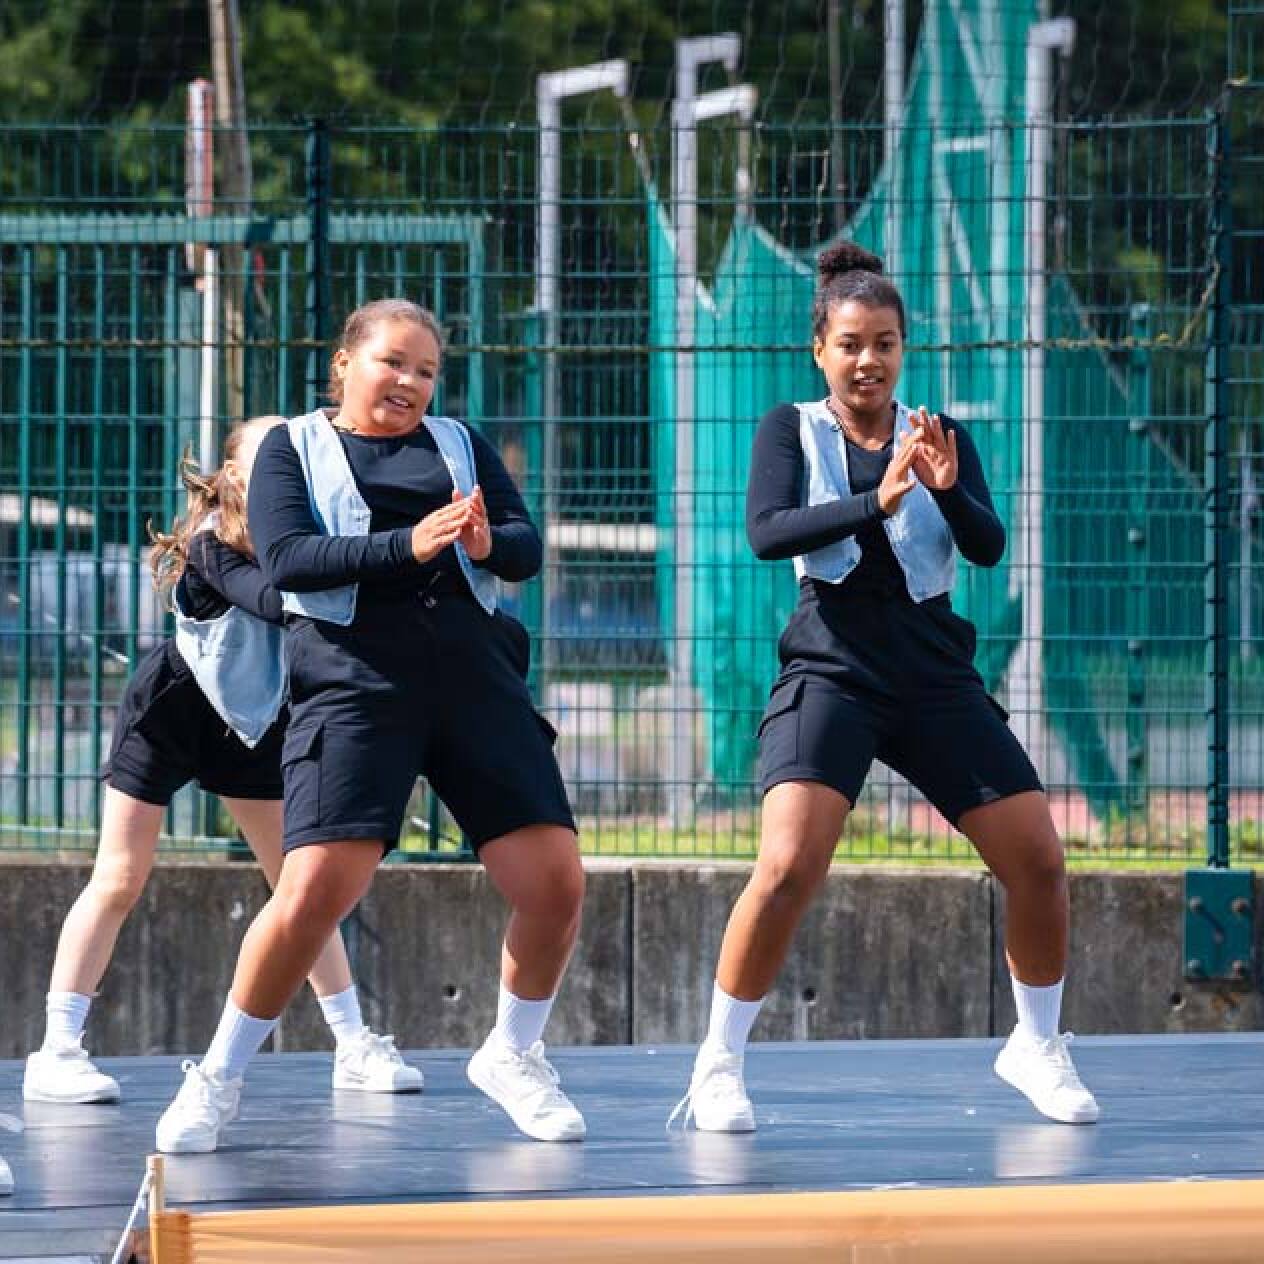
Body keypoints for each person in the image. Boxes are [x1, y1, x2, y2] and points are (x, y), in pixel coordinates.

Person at [669, 242, 1099, 1133]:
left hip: (933, 672)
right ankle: (717, 1066)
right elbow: (767, 532)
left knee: (1038, 861)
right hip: (833, 667)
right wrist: (881, 500)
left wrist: (946, 489)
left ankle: (1037, 1044)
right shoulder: (788, 429)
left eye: (885, 344)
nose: (869, 360)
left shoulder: (939, 434)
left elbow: (986, 546)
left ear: (904, 348)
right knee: (787, 867)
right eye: (851, 344)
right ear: (820, 350)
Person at [153, 299, 586, 1155]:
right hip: (355, 685)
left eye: (426, 371)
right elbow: (290, 561)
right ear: (345, 364)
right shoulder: (292, 449)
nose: (410, 383)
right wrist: (409, 546)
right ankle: (218, 1077)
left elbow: (526, 547)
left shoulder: (460, 444)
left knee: (555, 883)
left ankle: (513, 1053)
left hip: (475, 683)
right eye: (393, 362)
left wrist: (486, 543)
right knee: (313, 891)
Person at [24, 416, 420, 1107]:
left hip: (254, 723)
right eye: (274, 457)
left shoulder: (311, 531)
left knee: (300, 890)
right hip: (172, 714)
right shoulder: (213, 542)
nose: (289, 469)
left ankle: (353, 1043)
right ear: (235, 476)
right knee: (118, 878)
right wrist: (370, 563)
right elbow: (272, 598)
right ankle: (57, 1051)